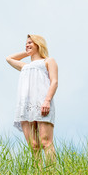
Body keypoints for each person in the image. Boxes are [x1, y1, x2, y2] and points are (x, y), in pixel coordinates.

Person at [6, 34, 58, 165]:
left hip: (42, 103)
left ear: (38, 44)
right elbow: (9, 58)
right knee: (34, 146)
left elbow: (54, 82)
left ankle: (52, 173)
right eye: (26, 43)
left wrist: (47, 100)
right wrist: (28, 51)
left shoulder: (48, 61)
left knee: (46, 142)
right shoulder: (24, 66)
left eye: (30, 42)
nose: (27, 45)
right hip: (26, 106)